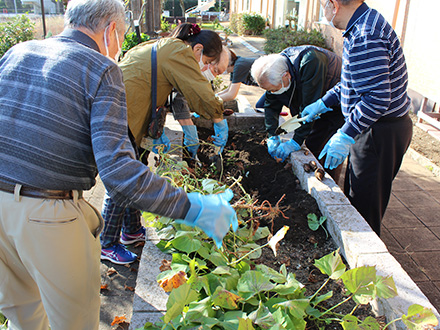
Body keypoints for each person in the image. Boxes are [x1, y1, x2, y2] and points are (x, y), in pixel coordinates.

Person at [0, 0, 237, 329]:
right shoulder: (100, 68)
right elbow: (118, 173)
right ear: (111, 30)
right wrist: (195, 208)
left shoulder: (18, 51)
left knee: (24, 319)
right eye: (122, 34)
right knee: (74, 322)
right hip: (47, 214)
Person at [100, 23, 230, 264]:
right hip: (123, 117)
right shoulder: (178, 50)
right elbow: (198, 89)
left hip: (126, 115)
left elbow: (176, 93)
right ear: (198, 48)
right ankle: (106, 243)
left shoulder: (164, 47)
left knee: (135, 173)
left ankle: (131, 230)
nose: (207, 68)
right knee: (121, 180)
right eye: (208, 62)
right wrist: (218, 116)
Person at [301, 0, 412, 236]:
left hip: (380, 131)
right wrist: (324, 102)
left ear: (334, 5)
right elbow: (353, 84)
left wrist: (345, 133)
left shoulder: (366, 35)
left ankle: (366, 267)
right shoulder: (361, 25)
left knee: (364, 207)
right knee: (357, 196)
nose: (324, 12)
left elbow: (377, 98)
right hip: (375, 126)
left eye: (323, 5)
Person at [250, 46, 345, 180]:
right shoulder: (277, 68)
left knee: (321, 146)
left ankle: (329, 183)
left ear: (286, 76)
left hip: (335, 107)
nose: (271, 92)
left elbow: (309, 106)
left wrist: (295, 141)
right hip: (311, 104)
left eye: (273, 89)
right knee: (310, 141)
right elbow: (271, 105)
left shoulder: (311, 61)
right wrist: (272, 134)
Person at [169, 44, 230, 159]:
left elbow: (206, 98)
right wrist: (190, 131)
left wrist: (219, 123)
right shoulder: (182, 68)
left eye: (219, 74)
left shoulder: (202, 77)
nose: (215, 76)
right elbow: (178, 98)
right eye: (215, 70)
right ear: (207, 61)